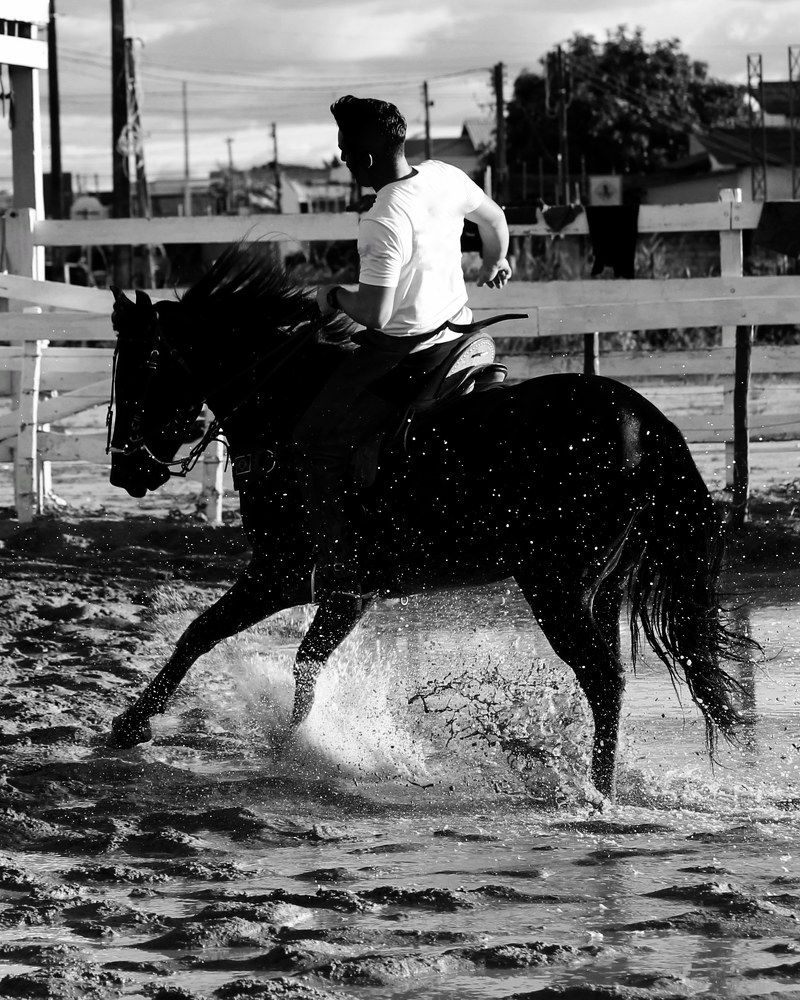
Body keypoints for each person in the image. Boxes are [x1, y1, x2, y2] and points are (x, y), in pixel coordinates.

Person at [292, 94, 511, 607]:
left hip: (408, 355)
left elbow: (376, 314)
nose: (343, 158)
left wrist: (330, 295)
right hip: (465, 339)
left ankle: (339, 568)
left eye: (345, 149)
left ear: (364, 158)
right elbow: (495, 221)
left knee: (310, 440)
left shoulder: (383, 217)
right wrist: (495, 262)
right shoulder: (444, 175)